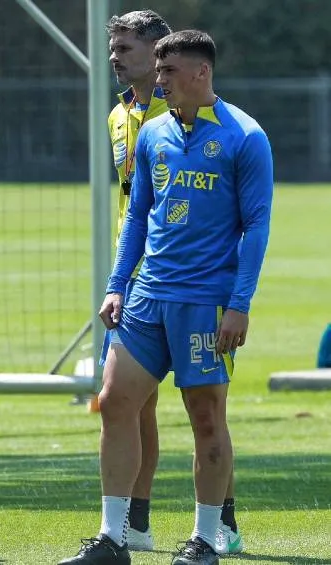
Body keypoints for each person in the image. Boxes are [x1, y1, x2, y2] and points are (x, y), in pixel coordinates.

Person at [61, 29, 272, 565]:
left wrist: (240, 303)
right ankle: (113, 538)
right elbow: (137, 217)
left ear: (201, 73)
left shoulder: (245, 137)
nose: (160, 81)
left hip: (204, 301)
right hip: (146, 297)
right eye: (158, 71)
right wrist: (116, 284)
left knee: (206, 417)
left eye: (169, 72)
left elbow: (256, 227)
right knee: (114, 403)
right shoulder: (151, 134)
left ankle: (207, 538)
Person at [101, 11, 242, 555]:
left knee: (206, 406)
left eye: (126, 49)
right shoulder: (122, 115)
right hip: (139, 274)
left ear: (162, 53)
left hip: (197, 278)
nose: (116, 58)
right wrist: (120, 274)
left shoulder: (184, 108)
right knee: (131, 403)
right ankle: (134, 522)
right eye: (112, 48)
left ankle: (221, 522)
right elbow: (135, 203)